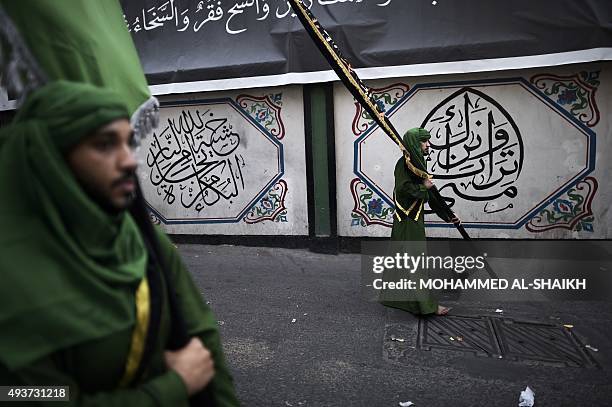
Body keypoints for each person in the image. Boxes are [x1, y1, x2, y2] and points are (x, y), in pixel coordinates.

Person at [0, 81, 239, 406]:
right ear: (51, 157)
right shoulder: (12, 278)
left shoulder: (142, 241)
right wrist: (173, 387)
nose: (129, 161)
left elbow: (203, 341)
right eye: (104, 144)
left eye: (128, 142)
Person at [381, 127, 461, 316]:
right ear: (414, 145)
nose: (428, 145)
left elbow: (431, 194)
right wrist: (424, 187)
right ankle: (427, 306)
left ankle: (399, 299)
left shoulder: (416, 163)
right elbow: (403, 189)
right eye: (424, 142)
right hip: (407, 219)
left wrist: (448, 215)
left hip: (413, 218)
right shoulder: (404, 164)